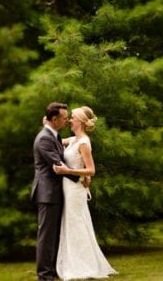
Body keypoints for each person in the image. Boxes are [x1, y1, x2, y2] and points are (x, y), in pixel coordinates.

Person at [50, 106, 117, 279]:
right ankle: (74, 262)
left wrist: (68, 172)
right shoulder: (73, 140)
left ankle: (83, 266)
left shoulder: (84, 143)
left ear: (79, 121)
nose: (70, 120)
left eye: (72, 117)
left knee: (77, 225)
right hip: (68, 188)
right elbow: (55, 140)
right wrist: (48, 126)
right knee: (72, 224)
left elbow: (91, 170)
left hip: (75, 191)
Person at [31, 102, 76, 280]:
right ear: (55, 119)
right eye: (65, 118)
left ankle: (53, 270)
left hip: (54, 193)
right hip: (47, 193)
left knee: (53, 235)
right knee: (46, 236)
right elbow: (57, 164)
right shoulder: (44, 138)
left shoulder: (53, 135)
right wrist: (81, 177)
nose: (67, 121)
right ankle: (44, 275)